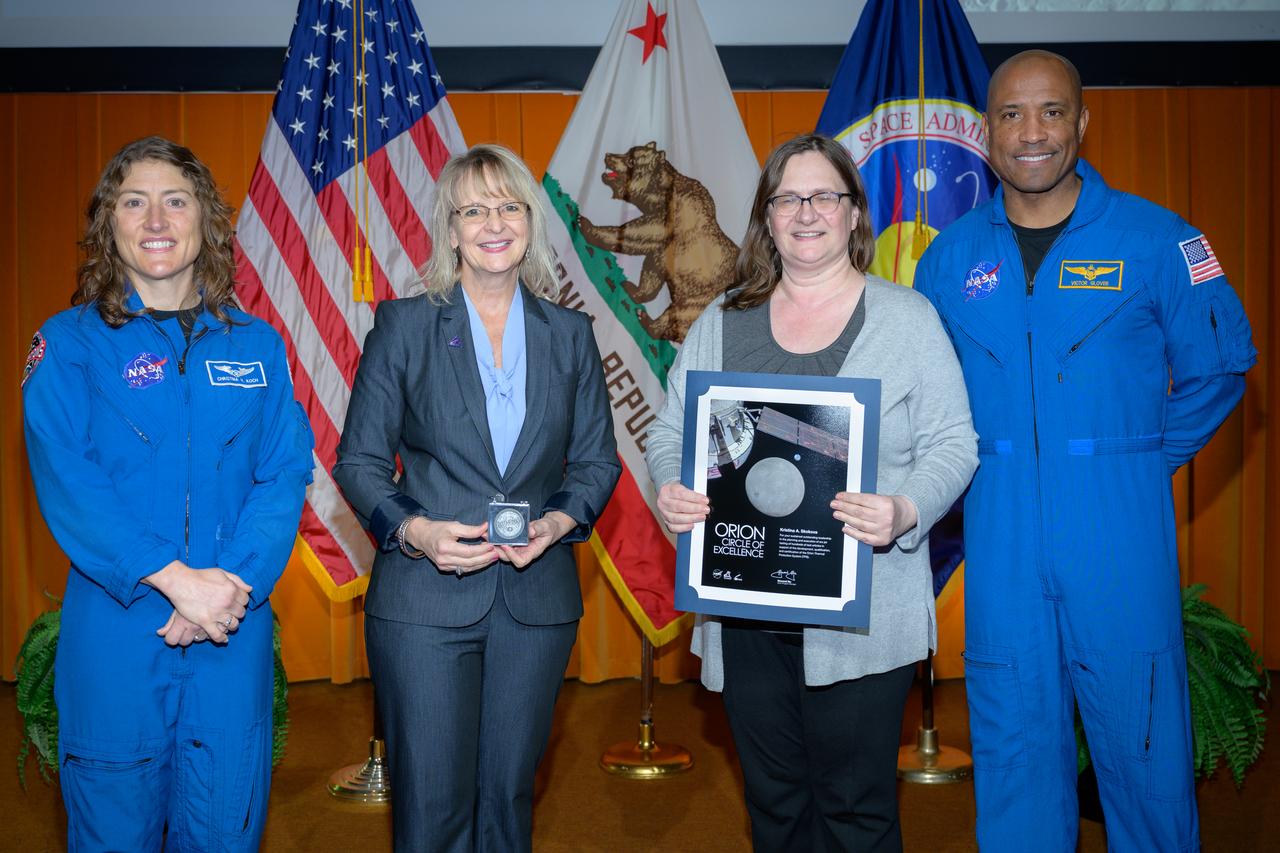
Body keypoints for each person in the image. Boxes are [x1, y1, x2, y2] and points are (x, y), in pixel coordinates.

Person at [914, 51, 1257, 852]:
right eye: (1010, 115)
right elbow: (924, 401)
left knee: (1144, 748)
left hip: (1118, 541)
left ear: (1082, 123)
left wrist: (1130, 460)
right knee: (1014, 748)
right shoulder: (950, 260)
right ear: (986, 133)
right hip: (1000, 544)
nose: (1032, 133)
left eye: (1052, 112)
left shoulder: (1158, 240)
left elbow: (1220, 370)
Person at [645, 133, 977, 853]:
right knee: (775, 805)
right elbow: (671, 428)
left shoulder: (908, 320)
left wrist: (904, 509)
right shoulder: (723, 320)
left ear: (854, 213)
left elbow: (955, 443)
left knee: (856, 811)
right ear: (766, 216)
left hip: (865, 616)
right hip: (745, 614)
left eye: (825, 195)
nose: (806, 212)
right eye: (788, 197)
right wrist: (672, 483)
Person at [21, 136, 315, 851]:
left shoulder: (257, 346)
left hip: (228, 625)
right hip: (119, 624)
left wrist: (230, 584)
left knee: (225, 827)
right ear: (108, 224)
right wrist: (174, 579)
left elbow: (283, 473)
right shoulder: (67, 346)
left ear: (205, 221)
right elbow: (70, 478)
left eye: (175, 200)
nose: (156, 218)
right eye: (134, 201)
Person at [332, 143, 620, 853]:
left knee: (508, 800)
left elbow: (595, 462)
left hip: (536, 602)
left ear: (530, 222)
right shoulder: (403, 325)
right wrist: (417, 531)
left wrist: (557, 521)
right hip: (423, 602)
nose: (495, 222)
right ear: (451, 228)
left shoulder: (571, 334)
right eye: (475, 209)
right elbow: (360, 461)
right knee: (431, 807)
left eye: (510, 205)